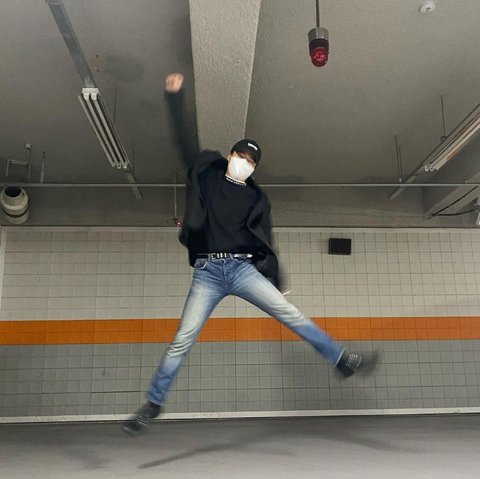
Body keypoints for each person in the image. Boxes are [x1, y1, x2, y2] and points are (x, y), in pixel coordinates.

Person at [122, 73, 378, 435]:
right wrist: (175, 99)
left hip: (243, 271)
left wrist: (277, 279)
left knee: (291, 314)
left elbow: (267, 240)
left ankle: (342, 360)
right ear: (230, 155)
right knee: (182, 338)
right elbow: (184, 143)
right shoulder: (207, 173)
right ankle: (153, 403)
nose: (244, 162)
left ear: (255, 168)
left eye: (251, 161)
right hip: (208, 272)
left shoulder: (257, 198)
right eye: (240, 155)